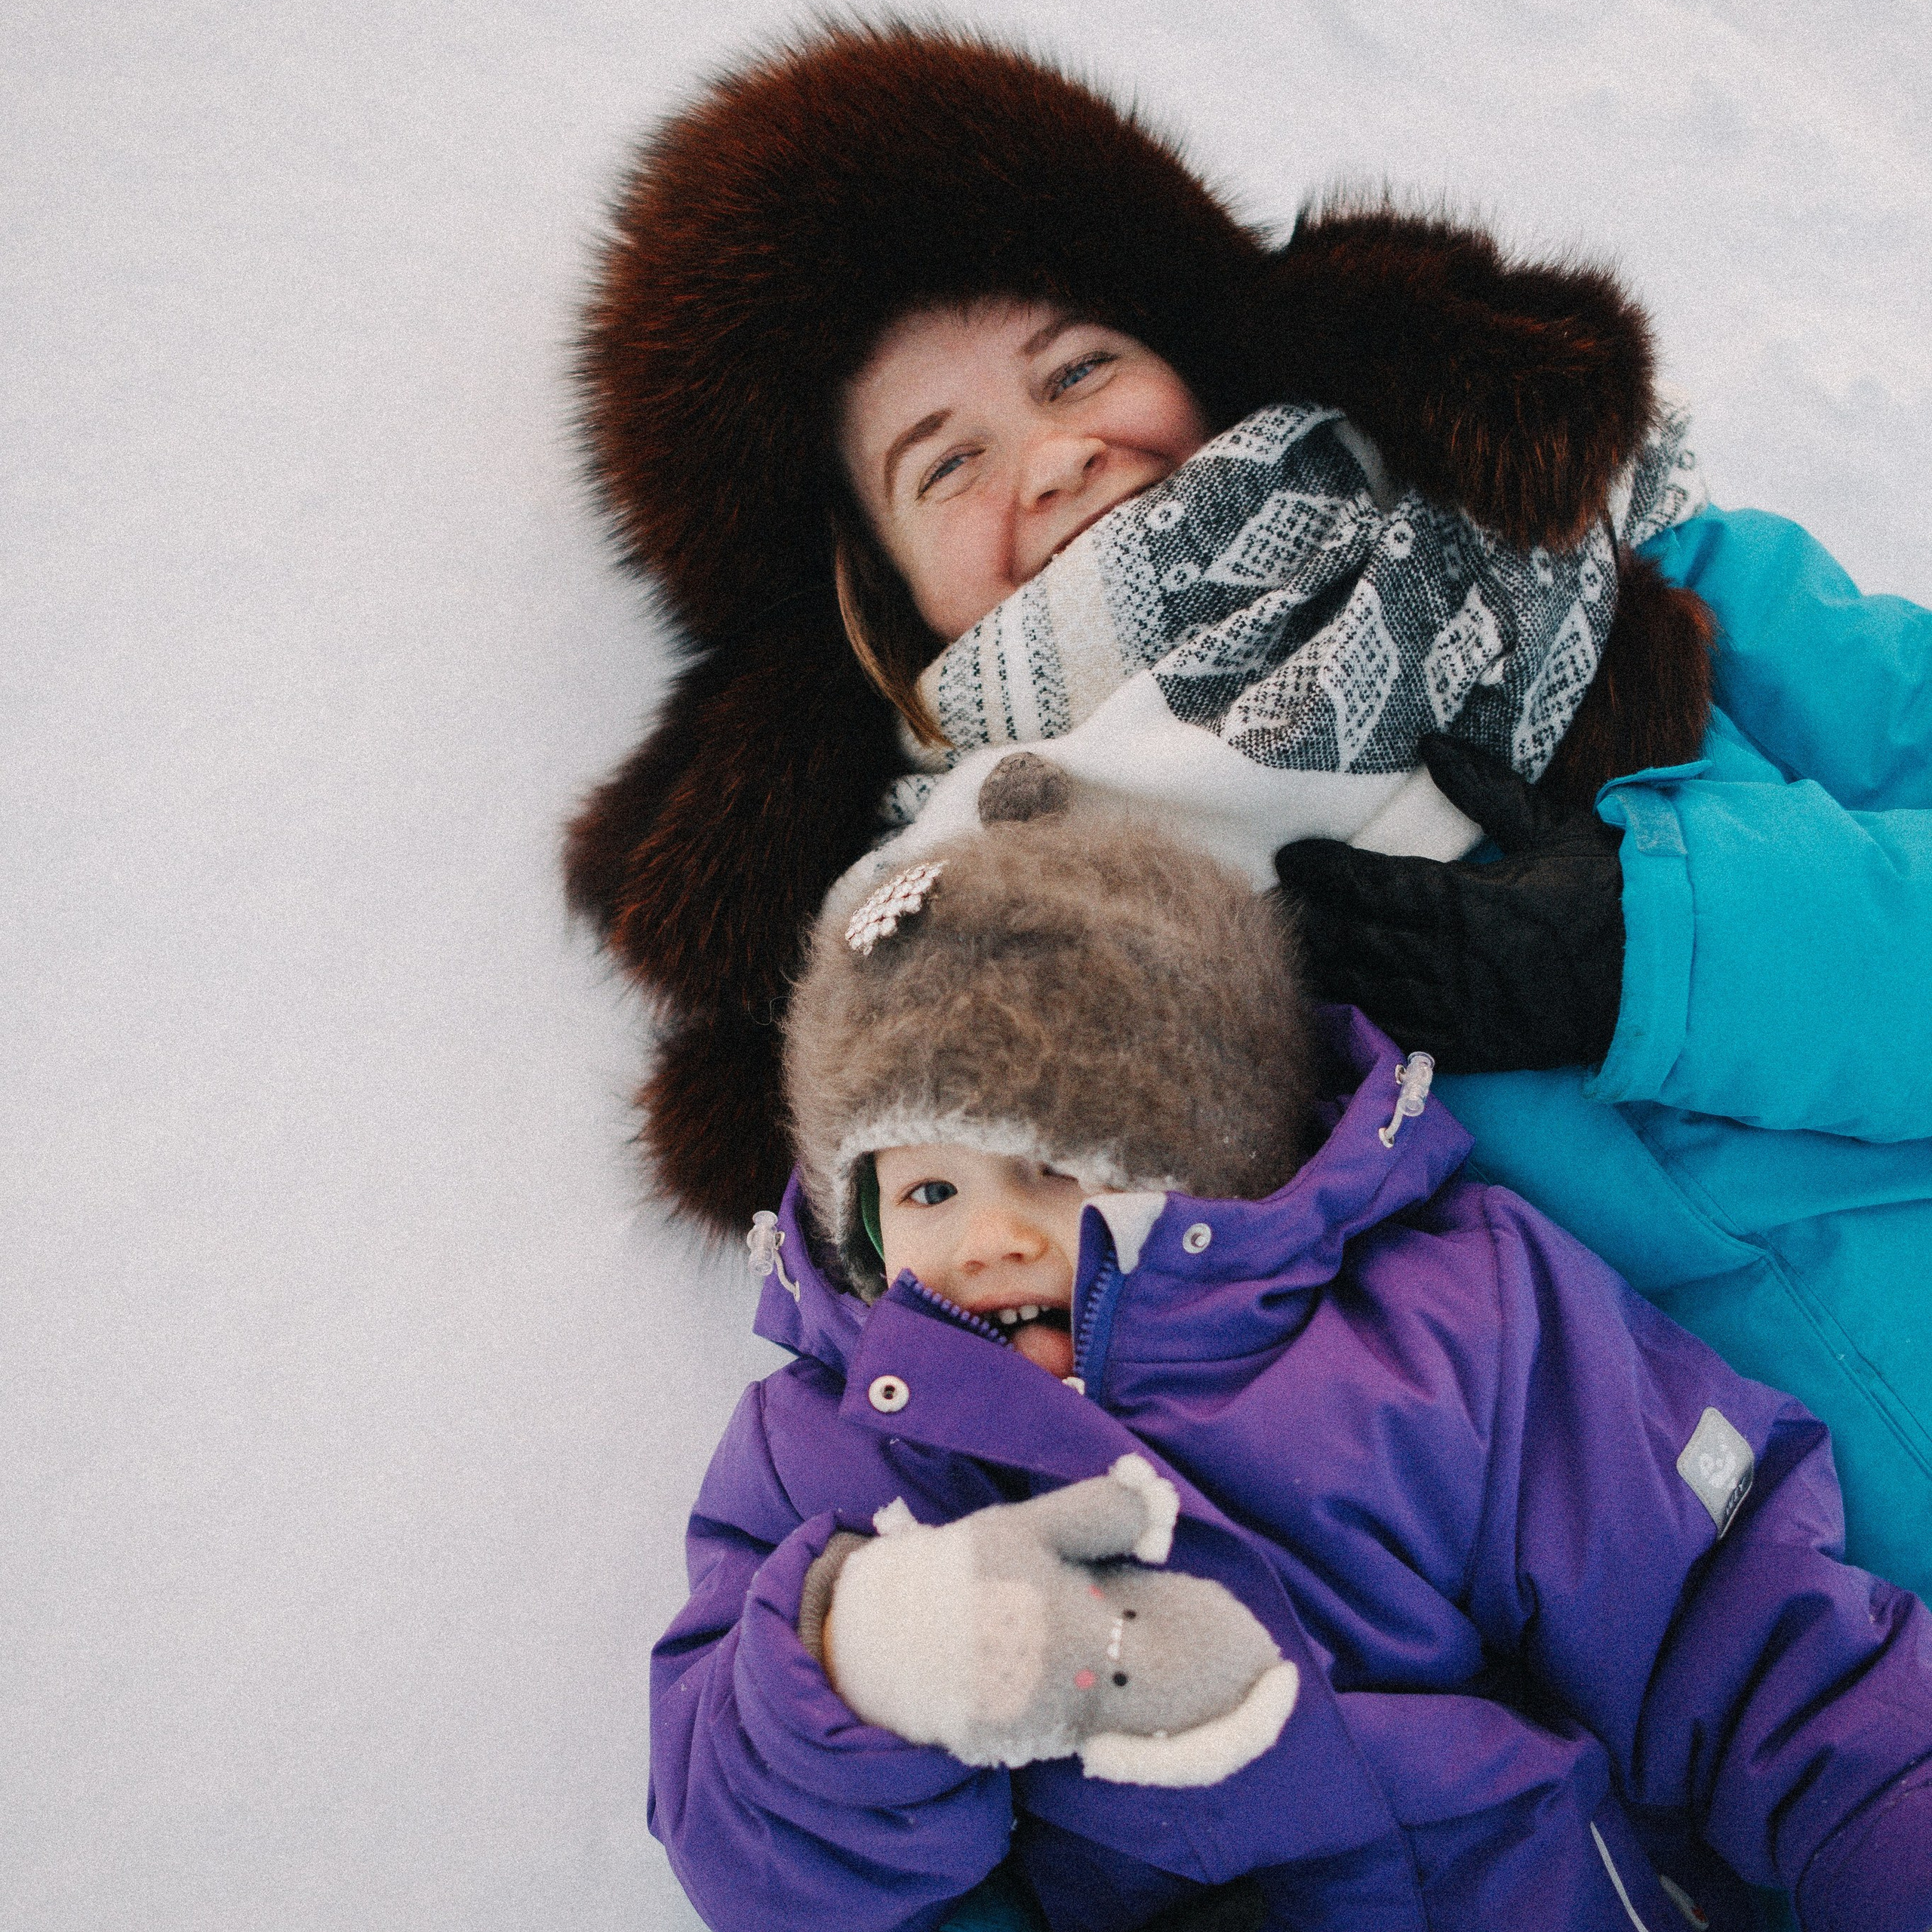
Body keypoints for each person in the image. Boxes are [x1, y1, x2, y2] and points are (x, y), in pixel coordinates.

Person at [565, 23, 1932, 1612]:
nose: (1057, 452)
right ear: (881, 603)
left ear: (1200, 353)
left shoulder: (1630, 579)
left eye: (1076, 367)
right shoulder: (984, 1002)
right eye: (946, 464)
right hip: (1813, 1745)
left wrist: (1662, 947)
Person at [651, 781, 1932, 1932]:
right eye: (925, 1193)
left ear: (1203, 1162)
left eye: (1054, 1169)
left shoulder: (1442, 1325)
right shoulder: (838, 1453)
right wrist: (868, 1656)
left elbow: (1731, 1637)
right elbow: (748, 1857)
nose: (987, 1239)